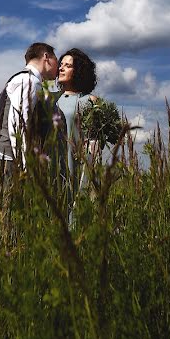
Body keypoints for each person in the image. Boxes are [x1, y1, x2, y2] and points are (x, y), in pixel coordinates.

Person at [0, 42, 63, 207]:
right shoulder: (29, 80)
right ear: (46, 57)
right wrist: (25, 165)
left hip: (7, 158)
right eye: (57, 60)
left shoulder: (24, 79)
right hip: (11, 161)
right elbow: (18, 124)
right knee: (7, 220)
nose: (58, 67)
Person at [55, 48, 98, 219]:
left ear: (79, 71)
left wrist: (86, 177)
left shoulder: (89, 100)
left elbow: (93, 144)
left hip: (75, 166)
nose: (61, 68)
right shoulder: (50, 98)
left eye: (68, 65)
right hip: (51, 164)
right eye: (61, 64)